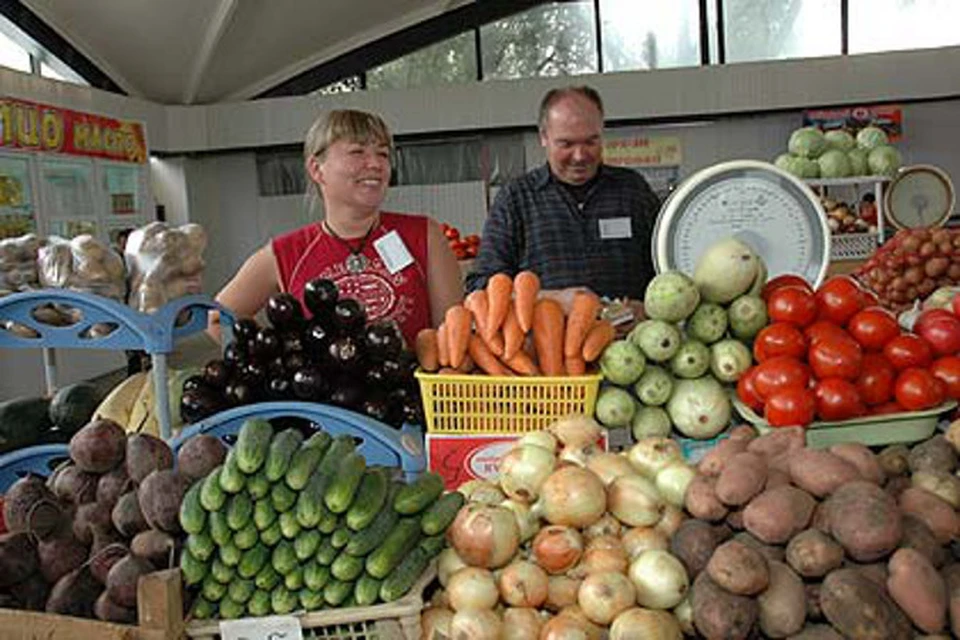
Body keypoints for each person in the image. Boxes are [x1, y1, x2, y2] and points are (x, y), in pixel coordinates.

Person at [210, 109, 463, 345]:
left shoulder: (424, 235)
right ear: (317, 169)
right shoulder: (285, 253)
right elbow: (215, 320)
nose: (375, 163)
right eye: (358, 152)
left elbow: (453, 336)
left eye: (383, 154)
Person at [466, 86, 661, 320]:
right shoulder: (516, 199)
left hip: (634, 347)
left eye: (591, 142)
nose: (579, 156)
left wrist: (648, 308)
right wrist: (551, 299)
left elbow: (666, 270)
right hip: (548, 350)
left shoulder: (633, 190)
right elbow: (480, 286)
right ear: (544, 137)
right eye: (566, 144)